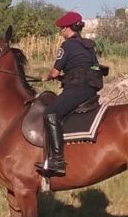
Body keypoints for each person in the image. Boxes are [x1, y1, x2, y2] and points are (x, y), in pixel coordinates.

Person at [35, 10, 105, 180]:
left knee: (51, 113)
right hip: (91, 86)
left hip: (78, 87)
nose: (61, 31)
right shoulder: (88, 44)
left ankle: (57, 160)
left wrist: (47, 76)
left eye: (62, 28)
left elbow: (55, 70)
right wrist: (63, 77)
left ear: (68, 28)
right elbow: (84, 67)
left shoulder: (67, 46)